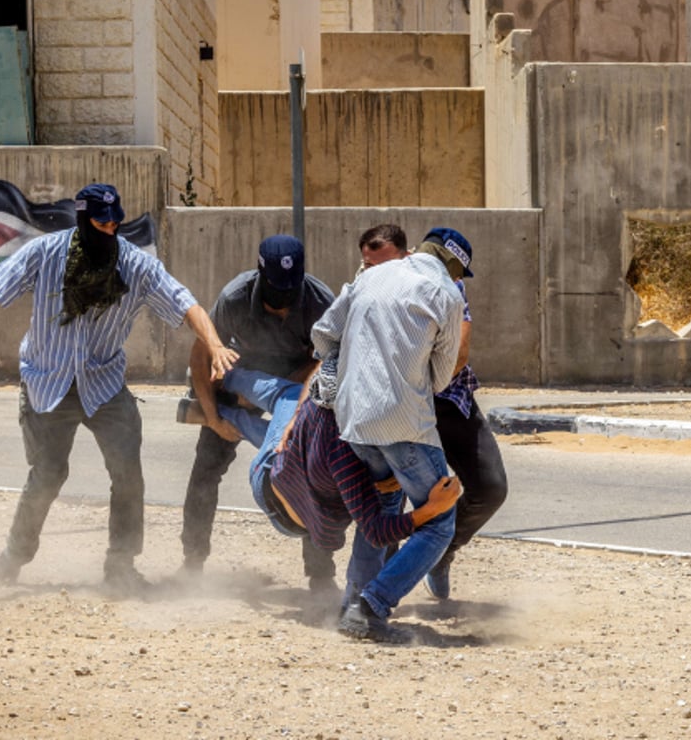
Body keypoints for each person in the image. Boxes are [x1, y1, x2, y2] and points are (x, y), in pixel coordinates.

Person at [0, 183, 238, 598]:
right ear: (83, 219)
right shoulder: (46, 252)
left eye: (115, 219)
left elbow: (185, 303)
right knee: (47, 475)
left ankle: (120, 565)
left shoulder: (135, 264)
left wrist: (214, 343)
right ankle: (12, 559)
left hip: (103, 383)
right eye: (101, 220)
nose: (110, 227)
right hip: (47, 380)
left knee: (127, 475)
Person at [216, 361, 461, 643]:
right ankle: (222, 399)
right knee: (284, 405)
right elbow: (376, 531)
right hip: (276, 495)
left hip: (288, 475)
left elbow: (324, 362)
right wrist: (431, 510)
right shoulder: (343, 450)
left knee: (289, 403)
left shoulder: (321, 399)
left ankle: (227, 386)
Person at [310, 233, 464, 640]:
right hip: (404, 424)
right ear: (453, 268)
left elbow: (323, 334)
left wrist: (358, 367)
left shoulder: (368, 278)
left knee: (384, 504)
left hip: (353, 420)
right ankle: (372, 605)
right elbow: (442, 376)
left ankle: (351, 605)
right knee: (439, 523)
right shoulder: (447, 293)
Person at [357, 224, 509, 600]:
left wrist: (423, 388)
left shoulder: (446, 285)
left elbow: (459, 351)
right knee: (389, 496)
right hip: (394, 404)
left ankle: (440, 555)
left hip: (446, 399)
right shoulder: (373, 281)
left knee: (490, 488)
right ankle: (374, 590)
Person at [180, 235, 336, 589]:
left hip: (298, 385)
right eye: (274, 296)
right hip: (242, 379)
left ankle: (321, 577)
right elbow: (201, 354)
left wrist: (291, 405)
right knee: (205, 470)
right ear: (261, 276)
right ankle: (192, 564)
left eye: (288, 296)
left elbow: (325, 364)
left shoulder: (320, 301)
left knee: (311, 472)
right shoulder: (235, 297)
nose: (281, 307)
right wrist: (214, 417)